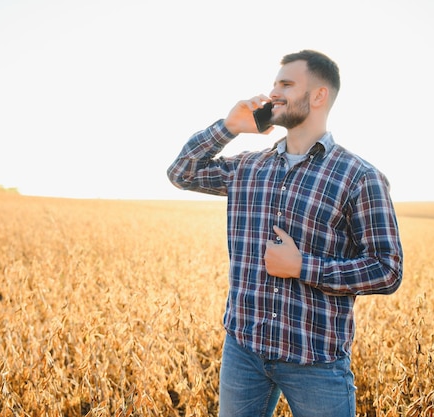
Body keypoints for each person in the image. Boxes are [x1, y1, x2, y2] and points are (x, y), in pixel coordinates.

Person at [167, 50, 403, 417]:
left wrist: (302, 267)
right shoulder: (248, 167)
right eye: (275, 83)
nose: (274, 92)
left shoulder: (359, 177)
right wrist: (228, 127)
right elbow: (182, 172)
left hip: (315, 361)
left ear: (319, 95)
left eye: (287, 84)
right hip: (243, 351)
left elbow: (387, 269)